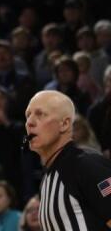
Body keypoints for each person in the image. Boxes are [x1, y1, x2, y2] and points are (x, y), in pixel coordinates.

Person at [26, 89, 111, 229]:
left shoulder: (86, 164)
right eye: (28, 115)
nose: (29, 122)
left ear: (65, 124)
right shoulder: (47, 180)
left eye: (40, 114)